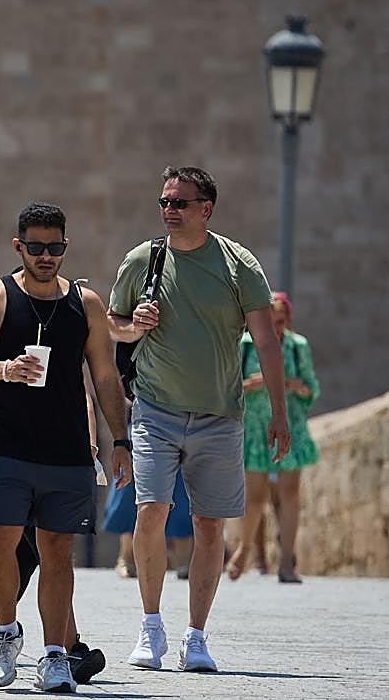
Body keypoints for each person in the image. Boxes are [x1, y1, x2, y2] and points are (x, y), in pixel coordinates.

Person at [107, 166, 291, 674]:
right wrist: (132, 326)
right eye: (164, 201)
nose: (169, 210)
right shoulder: (144, 259)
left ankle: (196, 636)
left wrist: (278, 413)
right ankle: (150, 627)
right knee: (151, 512)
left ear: (205, 208)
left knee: (210, 524)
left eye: (180, 203)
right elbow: (111, 325)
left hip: (220, 415)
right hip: (154, 408)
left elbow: (266, 340)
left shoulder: (238, 265)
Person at [0, 202, 132, 692]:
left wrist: (120, 440)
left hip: (67, 452)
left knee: (57, 554)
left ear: (65, 248)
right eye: (36, 247)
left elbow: (105, 376)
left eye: (54, 247)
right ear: (19, 247)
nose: (46, 256)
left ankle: (54, 656)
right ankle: (4, 634)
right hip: (8, 448)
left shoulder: (87, 304)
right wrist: (2, 369)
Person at [0, 392, 109, 685]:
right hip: (23, 461)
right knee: (37, 558)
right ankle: (66, 648)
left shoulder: (67, 361)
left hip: (55, 462)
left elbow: (85, 397)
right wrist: (90, 446)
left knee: (37, 559)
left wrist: (89, 446)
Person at [227, 291, 319, 584]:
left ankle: (287, 562)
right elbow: (229, 388)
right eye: (270, 321)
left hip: (291, 425)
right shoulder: (244, 345)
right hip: (255, 431)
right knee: (254, 498)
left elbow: (311, 387)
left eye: (280, 322)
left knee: (291, 495)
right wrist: (250, 385)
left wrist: (296, 386)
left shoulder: (296, 346)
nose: (275, 328)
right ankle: (245, 549)